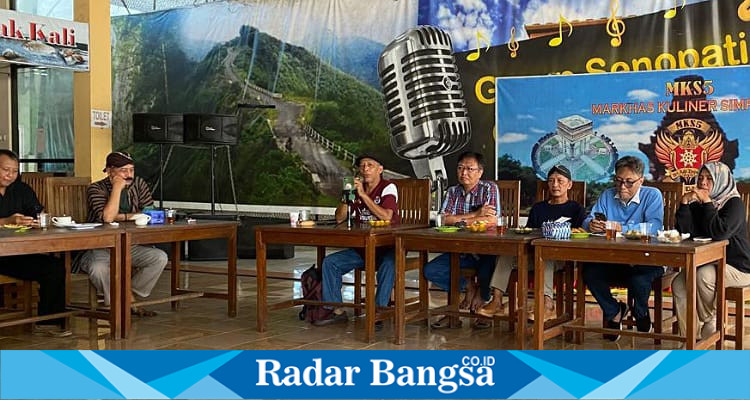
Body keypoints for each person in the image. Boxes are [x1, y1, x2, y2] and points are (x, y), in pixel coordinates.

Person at [478, 164, 585, 321]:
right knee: (506, 255)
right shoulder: (538, 208)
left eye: (560, 181)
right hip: (532, 255)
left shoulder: (576, 209)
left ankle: (548, 306)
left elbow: (580, 234)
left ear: (569, 184)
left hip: (562, 258)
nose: (555, 185)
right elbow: (529, 232)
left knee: (545, 257)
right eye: (551, 181)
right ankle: (497, 301)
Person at [75, 151, 167, 316]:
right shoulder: (96, 188)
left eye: (131, 170)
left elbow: (149, 212)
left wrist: (129, 216)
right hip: (100, 246)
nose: (129, 175)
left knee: (159, 258)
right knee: (98, 268)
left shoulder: (138, 184)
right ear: (110, 171)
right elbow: (108, 217)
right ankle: (125, 303)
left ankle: (126, 296)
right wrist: (117, 188)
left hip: (130, 244)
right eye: (123, 170)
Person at [582, 156, 664, 340]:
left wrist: (622, 228)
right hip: (614, 259)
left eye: (629, 182)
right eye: (618, 181)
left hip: (648, 260)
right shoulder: (607, 195)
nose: (622, 187)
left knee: (638, 279)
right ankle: (614, 311)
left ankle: (641, 312)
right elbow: (588, 219)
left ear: (641, 180)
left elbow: (655, 227)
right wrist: (591, 224)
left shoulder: (652, 195)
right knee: (590, 272)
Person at [314, 155, 400, 327]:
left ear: (380, 169)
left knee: (389, 265)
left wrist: (363, 195)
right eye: (362, 166)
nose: (365, 169)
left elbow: (387, 216)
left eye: (370, 165)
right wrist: (348, 195)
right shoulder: (356, 187)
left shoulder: (388, 187)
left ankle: (379, 311)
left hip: (388, 246)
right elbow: (339, 218)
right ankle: (335, 309)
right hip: (363, 247)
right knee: (330, 263)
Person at [672, 162, 750, 340]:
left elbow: (719, 233)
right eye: (700, 178)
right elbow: (684, 232)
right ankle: (690, 338)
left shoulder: (734, 204)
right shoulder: (698, 203)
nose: (703, 183)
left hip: (739, 268)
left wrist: (707, 202)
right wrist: (684, 203)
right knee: (679, 283)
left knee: (703, 275)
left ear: (721, 181)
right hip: (709, 263)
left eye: (709, 179)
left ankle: (710, 320)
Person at [424, 151, 498, 329]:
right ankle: (468, 288)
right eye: (460, 168)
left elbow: (491, 220)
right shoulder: (452, 192)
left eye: (469, 169)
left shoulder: (489, 189)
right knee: (431, 270)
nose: (464, 173)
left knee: (489, 265)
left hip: (485, 250)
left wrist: (458, 220)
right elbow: (442, 220)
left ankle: (482, 308)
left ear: (480, 172)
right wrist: (474, 214)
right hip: (458, 250)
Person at [0, 149, 70, 337]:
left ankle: (49, 322)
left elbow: (37, 212)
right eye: (6, 170)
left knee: (54, 267)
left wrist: (37, 222)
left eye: (14, 171)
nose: (10, 175)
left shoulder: (22, 190)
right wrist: (5, 222)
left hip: (18, 253)